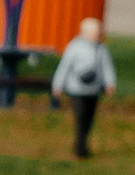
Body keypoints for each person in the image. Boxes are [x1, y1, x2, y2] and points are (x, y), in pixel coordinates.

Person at [50, 17, 117, 160]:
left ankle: (83, 143)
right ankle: (80, 148)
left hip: (93, 90)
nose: (98, 35)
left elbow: (106, 67)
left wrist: (110, 82)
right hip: (76, 90)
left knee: (89, 118)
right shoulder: (74, 47)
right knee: (80, 117)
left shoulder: (102, 48)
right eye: (96, 33)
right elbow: (64, 67)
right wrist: (58, 85)